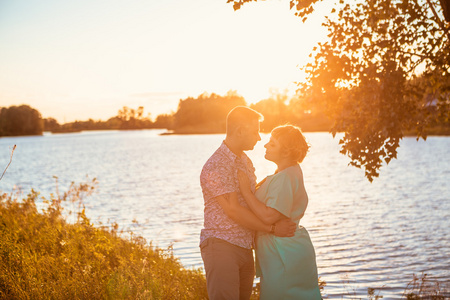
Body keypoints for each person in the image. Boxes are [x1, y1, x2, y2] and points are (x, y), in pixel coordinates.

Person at [200, 106, 297, 300]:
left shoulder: (245, 161)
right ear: (240, 131)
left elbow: (252, 200)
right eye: (255, 131)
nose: (259, 138)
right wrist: (271, 228)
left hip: (245, 248)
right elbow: (233, 210)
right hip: (222, 246)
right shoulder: (217, 164)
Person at [237, 125, 322, 300]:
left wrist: (245, 191)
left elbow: (270, 216)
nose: (266, 146)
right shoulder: (289, 171)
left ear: (285, 152)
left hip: (283, 253)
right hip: (287, 249)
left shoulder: (284, 177)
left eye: (272, 144)